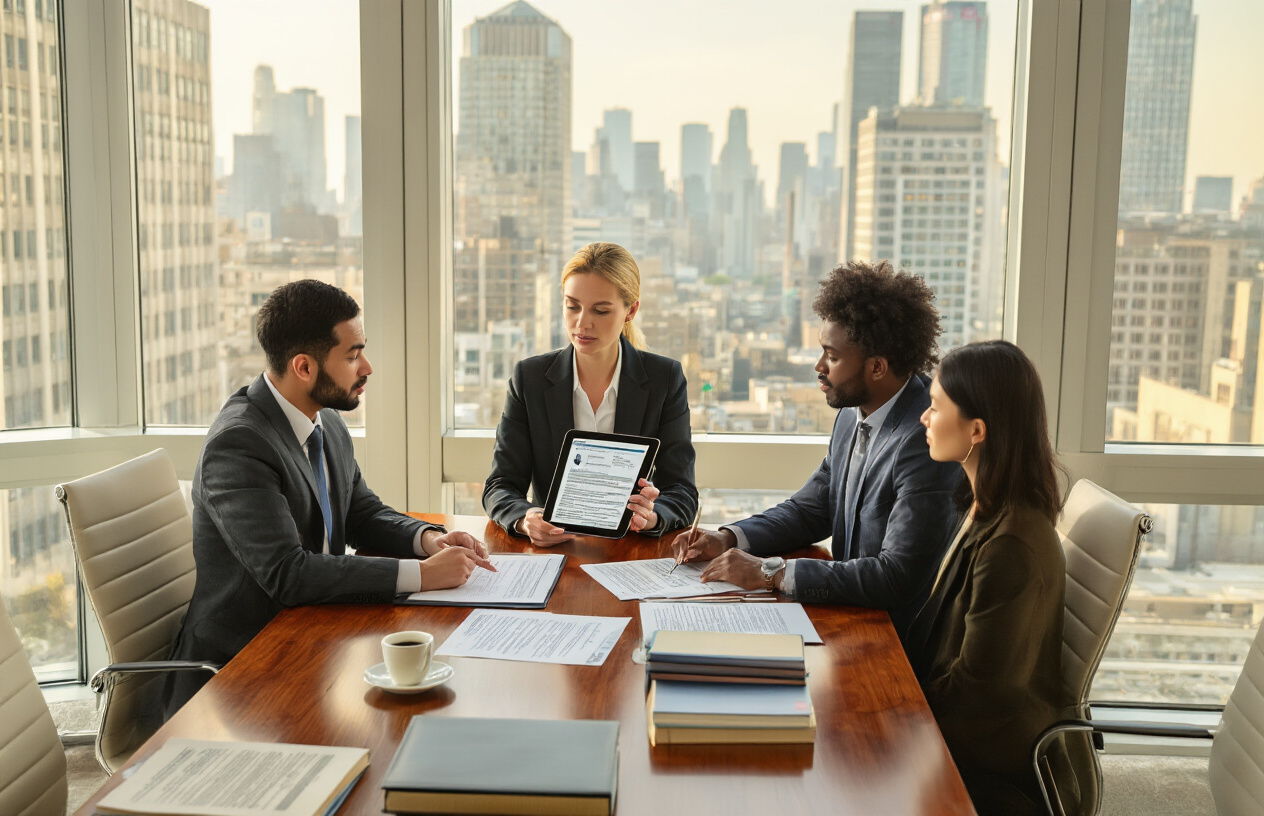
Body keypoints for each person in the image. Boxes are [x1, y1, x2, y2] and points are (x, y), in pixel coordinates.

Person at [164, 280, 492, 716]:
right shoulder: (239, 446)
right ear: (304, 367)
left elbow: (361, 512)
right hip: (239, 676)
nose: (367, 367)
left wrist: (428, 540)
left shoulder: (324, 422)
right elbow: (289, 574)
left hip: (311, 639)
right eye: (353, 355)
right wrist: (423, 575)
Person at [673, 260, 959, 638]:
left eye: (833, 356)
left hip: (892, 642)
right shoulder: (853, 415)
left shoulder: (925, 439)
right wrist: (729, 537)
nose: (818, 366)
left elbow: (896, 576)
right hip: (850, 618)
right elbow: (812, 508)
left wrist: (771, 573)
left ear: (877, 367)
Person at [904, 340, 1094, 816]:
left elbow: (979, 695)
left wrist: (891, 715)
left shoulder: (1012, 544)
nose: (924, 419)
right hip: (958, 738)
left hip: (989, 769)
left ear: (977, 430)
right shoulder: (983, 509)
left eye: (934, 407)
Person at [483, 242, 698, 544]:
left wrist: (653, 516)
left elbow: (683, 491)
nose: (582, 322)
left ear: (631, 310)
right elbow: (500, 485)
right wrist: (525, 519)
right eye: (572, 306)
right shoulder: (529, 379)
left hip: (629, 553)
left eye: (601, 310)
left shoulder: (665, 380)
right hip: (555, 550)